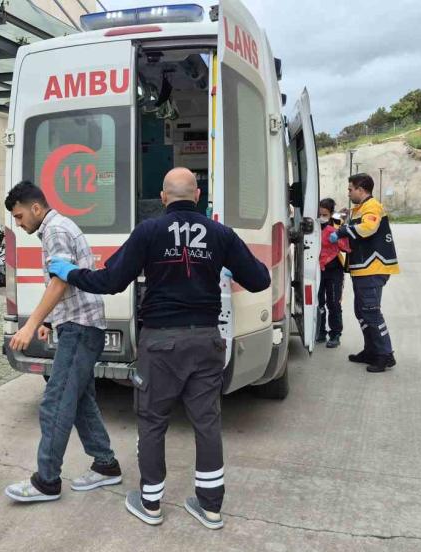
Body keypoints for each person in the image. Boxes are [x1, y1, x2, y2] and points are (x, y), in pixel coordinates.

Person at [48, 168, 270, 530]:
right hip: (206, 340)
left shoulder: (149, 231)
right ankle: (211, 507)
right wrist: (222, 263)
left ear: (164, 198)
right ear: (197, 196)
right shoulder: (221, 234)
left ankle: (150, 502)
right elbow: (260, 279)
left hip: (161, 342)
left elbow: (110, 281)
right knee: (207, 422)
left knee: (153, 421)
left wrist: (69, 272)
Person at [2, 181, 122, 503]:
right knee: (79, 400)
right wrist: (50, 322)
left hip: (80, 329)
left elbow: (60, 282)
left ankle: (46, 481)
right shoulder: (57, 227)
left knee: (55, 403)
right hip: (79, 325)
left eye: (19, 216)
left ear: (36, 208)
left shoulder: (55, 230)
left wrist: (31, 325)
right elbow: (65, 280)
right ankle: (106, 464)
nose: (18, 223)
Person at [330, 173, 400, 373]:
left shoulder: (372, 206)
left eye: (350, 189)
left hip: (372, 268)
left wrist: (342, 232)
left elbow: (368, 228)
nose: (348, 193)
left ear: (361, 189)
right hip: (362, 269)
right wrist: (338, 219)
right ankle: (371, 351)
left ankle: (385, 355)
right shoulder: (358, 209)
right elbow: (340, 227)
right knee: (361, 311)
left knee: (371, 312)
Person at [316, 198, 349, 348]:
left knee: (334, 303)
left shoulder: (337, 225)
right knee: (318, 302)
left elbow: (346, 247)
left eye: (325, 215)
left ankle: (335, 334)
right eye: (320, 214)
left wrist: (337, 237)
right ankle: (320, 331)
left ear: (330, 214)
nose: (322, 217)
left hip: (334, 269)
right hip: (317, 269)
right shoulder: (313, 225)